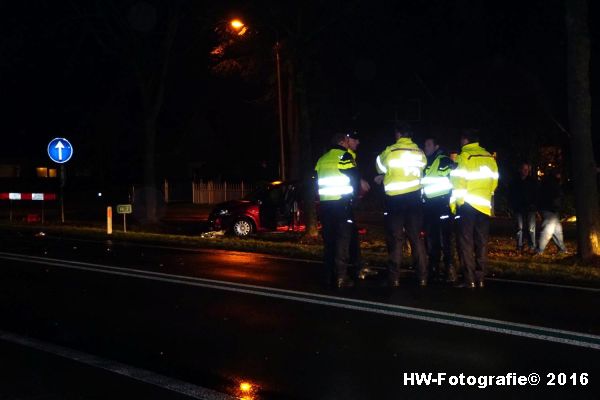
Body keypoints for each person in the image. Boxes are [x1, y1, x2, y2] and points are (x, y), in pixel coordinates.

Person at [374, 123, 428, 287]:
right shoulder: (420, 152)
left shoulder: (390, 151)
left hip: (395, 201)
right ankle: (422, 277)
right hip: (414, 200)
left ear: (398, 134)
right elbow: (423, 168)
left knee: (395, 239)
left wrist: (385, 176)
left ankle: (394, 278)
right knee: (416, 238)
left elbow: (379, 168)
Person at [450, 129, 499, 289]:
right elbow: (495, 181)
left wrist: (457, 203)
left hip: (468, 205)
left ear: (465, 140)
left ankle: (469, 279)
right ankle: (481, 278)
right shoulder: (489, 158)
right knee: (482, 242)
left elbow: (458, 183)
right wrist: (487, 195)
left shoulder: (464, 157)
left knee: (466, 242)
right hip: (484, 206)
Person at [314, 133, 360, 289]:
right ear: (341, 142)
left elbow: (316, 182)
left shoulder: (322, 159)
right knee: (343, 241)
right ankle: (341, 277)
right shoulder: (345, 157)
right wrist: (354, 197)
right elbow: (355, 179)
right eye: (346, 141)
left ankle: (328, 276)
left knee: (329, 241)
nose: (348, 143)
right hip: (342, 205)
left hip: (325, 205)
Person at [422, 136, 457, 283]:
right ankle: (433, 268)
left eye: (428, 145)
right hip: (430, 207)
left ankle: (449, 269)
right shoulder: (426, 162)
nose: (426, 148)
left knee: (445, 239)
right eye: (425, 145)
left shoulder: (444, 160)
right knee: (431, 239)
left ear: (436, 146)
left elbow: (454, 180)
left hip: (443, 206)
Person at [344, 131, 372, 279]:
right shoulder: (345, 155)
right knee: (350, 233)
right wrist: (359, 182)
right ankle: (355, 266)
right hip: (344, 201)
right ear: (347, 140)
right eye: (355, 140)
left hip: (348, 200)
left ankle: (356, 264)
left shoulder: (351, 155)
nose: (358, 143)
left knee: (351, 233)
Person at [536, 170, 568, 254]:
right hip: (551, 210)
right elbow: (557, 198)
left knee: (557, 230)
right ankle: (539, 250)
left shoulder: (546, 183)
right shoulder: (554, 185)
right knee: (548, 230)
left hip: (549, 209)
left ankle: (562, 249)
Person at [509, 161, 538, 252]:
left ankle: (532, 245)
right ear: (520, 170)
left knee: (531, 228)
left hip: (530, 208)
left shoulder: (532, 181)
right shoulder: (515, 181)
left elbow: (536, 194)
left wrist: (535, 205)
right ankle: (519, 246)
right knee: (519, 227)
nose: (525, 171)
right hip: (518, 208)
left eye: (526, 169)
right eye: (523, 169)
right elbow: (511, 194)